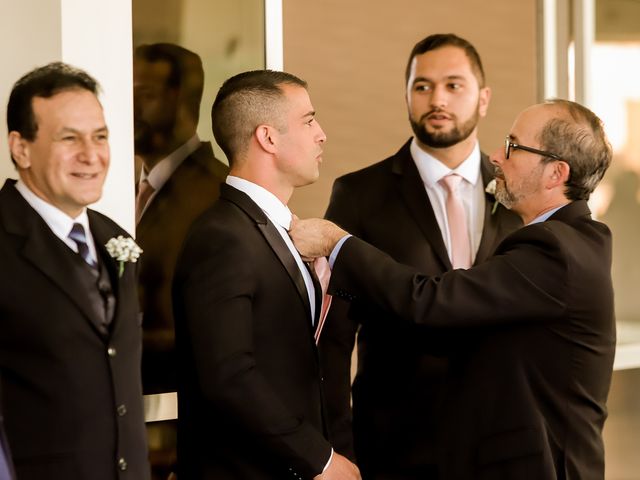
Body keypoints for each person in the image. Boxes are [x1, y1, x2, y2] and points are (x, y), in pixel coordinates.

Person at [291, 99, 615, 480]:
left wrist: (338, 243)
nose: (496, 156)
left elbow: (433, 301)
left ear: (555, 173)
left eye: (513, 146)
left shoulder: (555, 250)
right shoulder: (573, 241)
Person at [319, 33, 520, 478]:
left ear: (483, 98)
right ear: (407, 96)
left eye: (454, 85)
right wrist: (337, 448)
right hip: (394, 444)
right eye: (422, 86)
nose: (437, 99)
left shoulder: (518, 197)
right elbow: (332, 340)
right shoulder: (359, 195)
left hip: (506, 443)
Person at [172, 70, 361, 480]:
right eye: (309, 120)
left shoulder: (276, 229)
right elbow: (228, 376)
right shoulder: (222, 236)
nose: (321, 134)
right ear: (268, 138)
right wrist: (320, 460)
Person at [0, 62, 149, 479]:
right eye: (70, 138)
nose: (91, 155)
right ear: (21, 147)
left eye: (99, 137)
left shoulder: (115, 239)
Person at [133, 43, 229, 394]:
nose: (131, 108)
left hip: (182, 402)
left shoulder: (214, 191)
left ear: (182, 101)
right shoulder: (124, 191)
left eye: (145, 95)